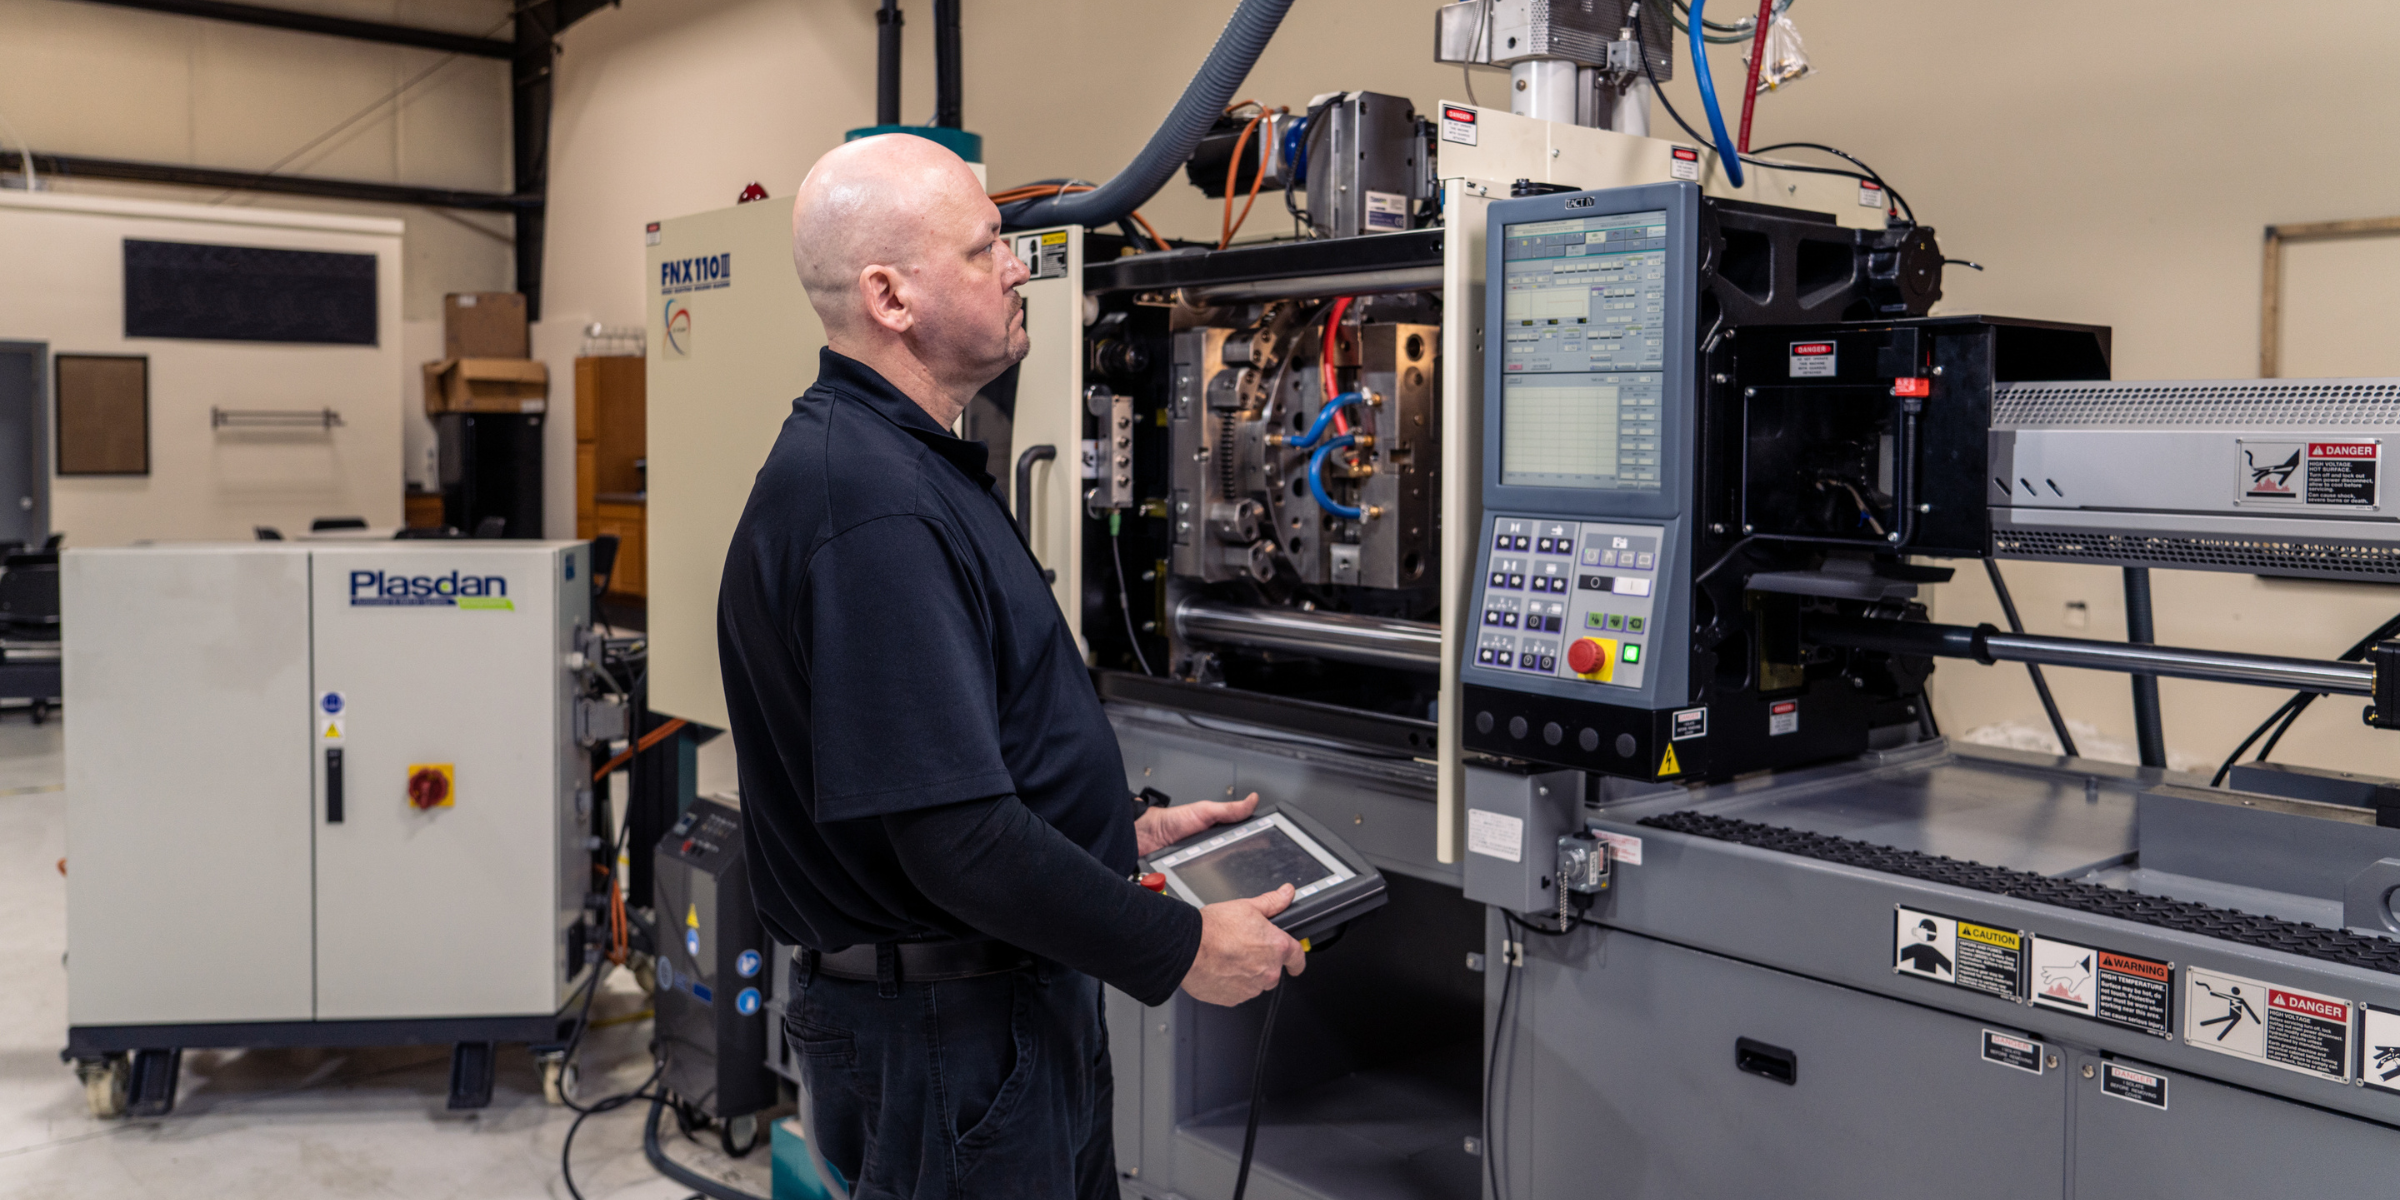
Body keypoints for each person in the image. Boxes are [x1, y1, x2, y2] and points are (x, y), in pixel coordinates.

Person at [717, 133, 1307, 1200]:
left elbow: (949, 769)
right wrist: (1178, 948)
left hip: (985, 1012)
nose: (1016, 266)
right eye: (988, 247)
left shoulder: (902, 465)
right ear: (890, 297)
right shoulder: (872, 503)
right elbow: (955, 840)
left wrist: (1112, 831)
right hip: (950, 1039)